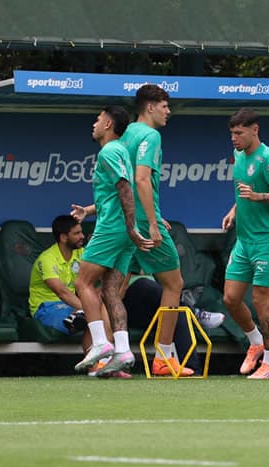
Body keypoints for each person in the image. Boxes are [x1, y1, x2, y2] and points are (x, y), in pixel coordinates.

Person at [71, 105, 154, 375]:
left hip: (113, 230)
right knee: (110, 292)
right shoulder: (119, 152)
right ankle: (122, 349)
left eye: (97, 120)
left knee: (82, 282)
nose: (93, 124)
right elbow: (114, 193)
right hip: (122, 231)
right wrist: (89, 210)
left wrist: (130, 227)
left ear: (108, 124)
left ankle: (99, 344)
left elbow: (124, 188)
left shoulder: (109, 151)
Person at [220, 108, 269, 379]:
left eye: (239, 133)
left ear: (255, 130)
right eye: (232, 133)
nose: (234, 138)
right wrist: (234, 210)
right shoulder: (239, 156)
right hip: (244, 240)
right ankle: (255, 342)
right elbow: (244, 191)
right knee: (230, 298)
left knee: (261, 302)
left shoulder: (268, 158)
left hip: (268, 240)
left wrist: (259, 197)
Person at [119, 84, 188, 376]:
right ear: (150, 107)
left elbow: (122, 184)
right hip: (144, 225)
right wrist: (151, 221)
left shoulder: (124, 135)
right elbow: (142, 180)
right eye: (164, 106)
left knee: (116, 290)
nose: (168, 111)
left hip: (122, 222)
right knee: (174, 284)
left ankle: (111, 355)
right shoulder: (150, 136)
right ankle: (163, 356)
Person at [29, 215, 97, 352]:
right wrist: (89, 308)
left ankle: (78, 318)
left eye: (81, 232)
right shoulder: (47, 259)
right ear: (63, 237)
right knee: (93, 319)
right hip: (46, 307)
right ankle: (94, 366)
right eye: (77, 233)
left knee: (100, 314)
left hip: (71, 305)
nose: (82, 236)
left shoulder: (81, 253)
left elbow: (100, 275)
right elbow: (62, 293)